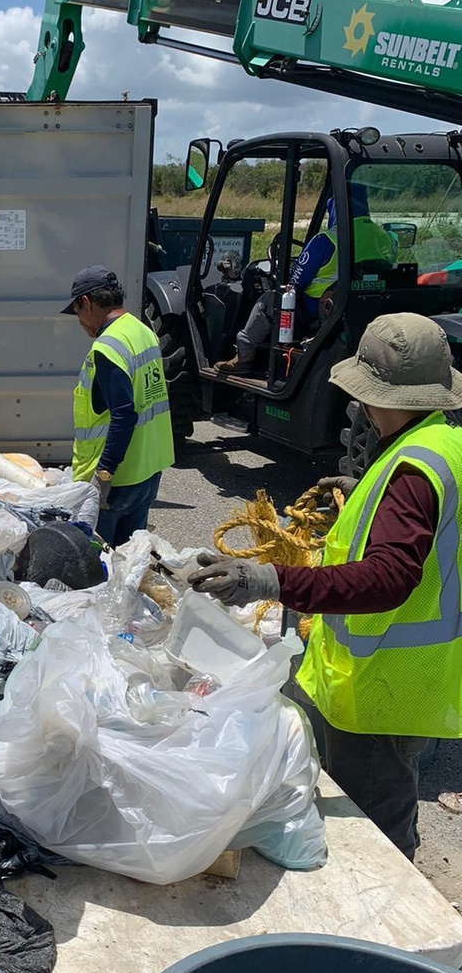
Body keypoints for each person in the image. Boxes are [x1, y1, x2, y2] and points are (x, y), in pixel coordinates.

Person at [191, 314, 462, 860]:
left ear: (374, 394)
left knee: (377, 839)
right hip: (404, 679)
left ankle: (391, 939)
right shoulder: (442, 443)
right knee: (371, 810)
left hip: (381, 685)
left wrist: (267, 579)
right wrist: (370, 490)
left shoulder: (412, 472)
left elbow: (388, 579)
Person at [216, 185, 396, 375]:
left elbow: (296, 281)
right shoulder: (384, 238)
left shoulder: (327, 240)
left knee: (268, 300)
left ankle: (244, 356)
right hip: (364, 308)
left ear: (336, 206)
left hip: (319, 309)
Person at [62, 265, 174, 545]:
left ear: (85, 302)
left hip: (116, 483)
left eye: (76, 312)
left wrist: (103, 473)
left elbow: (124, 415)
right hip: (148, 471)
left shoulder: (107, 347)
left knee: (100, 566)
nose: (79, 322)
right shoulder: (142, 331)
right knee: (129, 562)